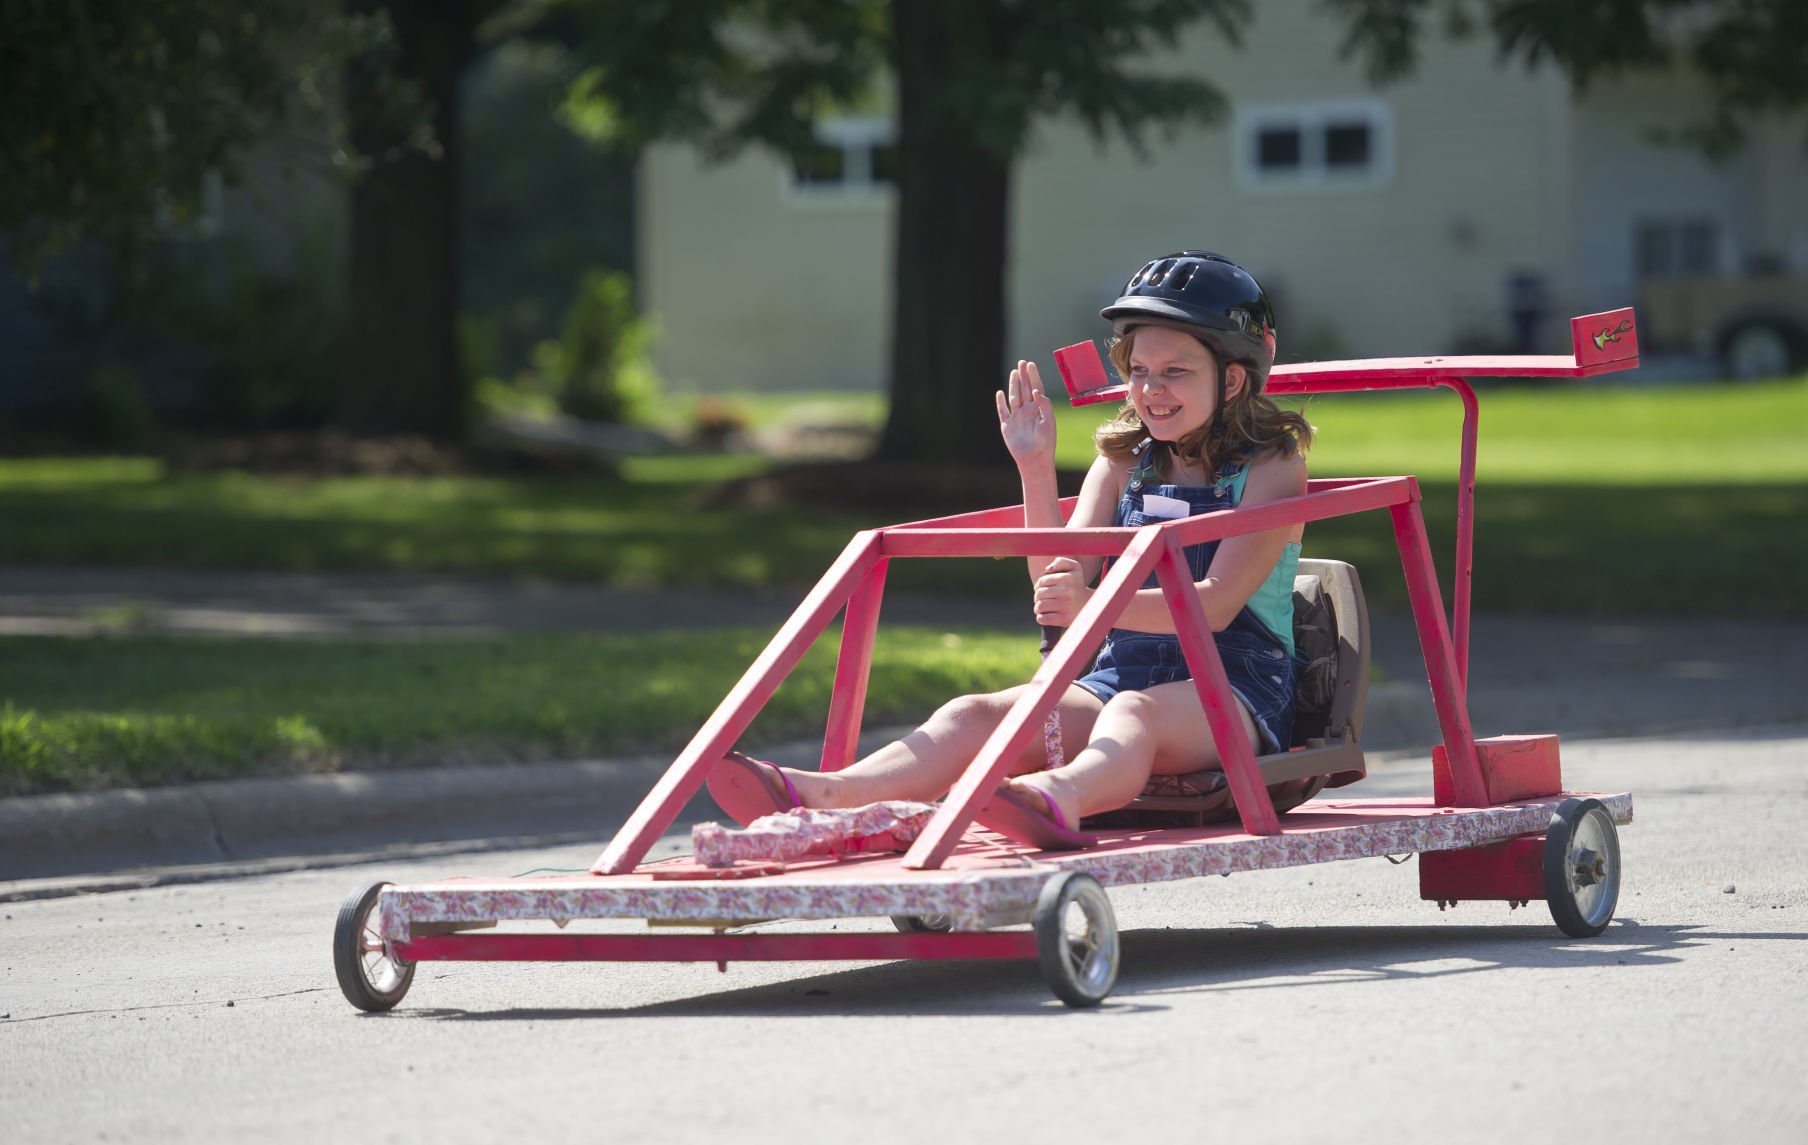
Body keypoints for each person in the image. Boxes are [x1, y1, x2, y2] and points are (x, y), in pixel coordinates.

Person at [708, 250, 1314, 849]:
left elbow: (1213, 606)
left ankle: (1055, 798)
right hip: (1124, 670)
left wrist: (1093, 603)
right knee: (977, 713)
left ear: (1232, 378)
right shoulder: (1124, 462)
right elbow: (1055, 586)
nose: (1151, 390)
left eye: (1175, 372)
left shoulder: (1271, 467)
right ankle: (823, 796)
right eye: (1139, 371)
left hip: (1234, 685)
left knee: (1135, 714)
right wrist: (1035, 467)